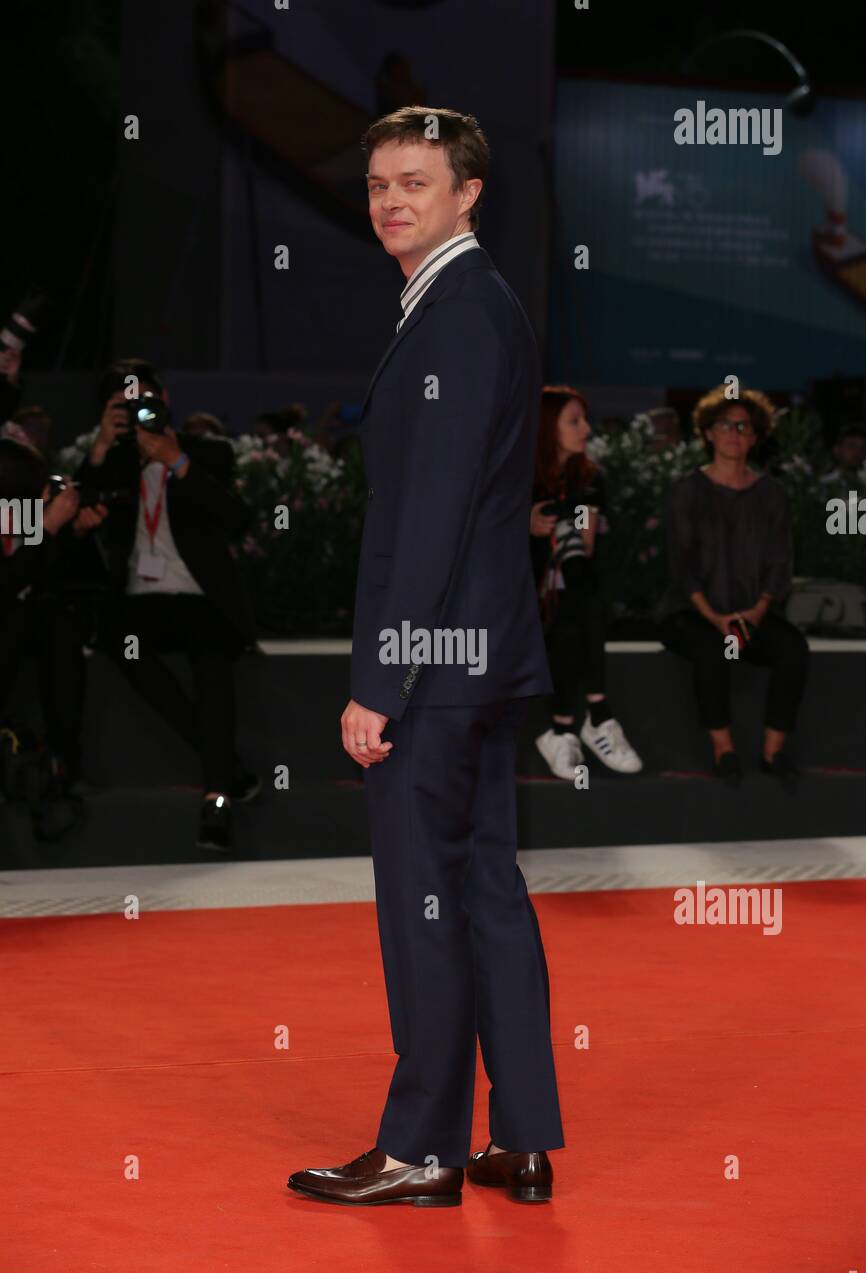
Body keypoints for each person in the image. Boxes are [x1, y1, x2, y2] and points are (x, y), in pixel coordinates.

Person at [287, 105, 564, 1208]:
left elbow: (432, 518)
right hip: (481, 662)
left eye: (415, 181)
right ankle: (523, 1141)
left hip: (435, 670)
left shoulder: (454, 316)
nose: (391, 201)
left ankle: (420, 1150)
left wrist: (377, 683)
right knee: (486, 887)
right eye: (377, 186)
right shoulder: (473, 307)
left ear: (467, 192)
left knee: (427, 901)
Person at [75, 358, 259, 850]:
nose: (137, 412)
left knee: (212, 652)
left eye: (144, 400)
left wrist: (176, 462)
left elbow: (238, 518)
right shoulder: (110, 460)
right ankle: (227, 767)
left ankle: (216, 801)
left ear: (165, 401)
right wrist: (99, 445)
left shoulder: (206, 452)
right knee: (120, 640)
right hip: (139, 603)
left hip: (199, 598)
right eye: (123, 406)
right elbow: (76, 508)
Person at [656, 386, 809, 786]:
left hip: (750, 612)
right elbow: (682, 567)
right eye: (725, 425)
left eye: (743, 426)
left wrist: (754, 614)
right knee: (710, 649)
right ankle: (724, 750)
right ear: (708, 432)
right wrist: (718, 619)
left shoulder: (771, 494)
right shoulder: (687, 491)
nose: (734, 433)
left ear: (755, 437)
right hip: (692, 611)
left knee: (793, 648)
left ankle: (773, 753)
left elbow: (780, 564)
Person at [530, 385, 642, 778]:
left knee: (577, 612)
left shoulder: (589, 478)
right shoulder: (516, 476)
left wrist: (573, 518)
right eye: (574, 421)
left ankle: (566, 728)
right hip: (520, 594)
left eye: (585, 420)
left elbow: (585, 545)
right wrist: (527, 525)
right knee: (579, 609)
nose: (586, 429)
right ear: (547, 427)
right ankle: (596, 717)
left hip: (569, 591)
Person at [0, 438, 107, 791]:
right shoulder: (22, 517)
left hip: (24, 624)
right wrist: (46, 528)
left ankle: (63, 758)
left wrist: (72, 531)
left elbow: (47, 572)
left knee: (58, 620)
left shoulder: (24, 517)